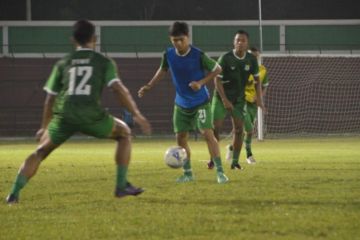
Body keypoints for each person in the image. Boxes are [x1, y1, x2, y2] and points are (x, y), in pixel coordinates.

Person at [6, 20, 151, 204]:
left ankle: (13, 194)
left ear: (73, 40)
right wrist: (136, 114)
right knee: (124, 133)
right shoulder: (103, 62)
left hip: (64, 116)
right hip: (91, 115)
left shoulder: (63, 63)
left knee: (40, 151)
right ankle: (121, 186)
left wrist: (44, 127)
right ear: (94, 39)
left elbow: (50, 98)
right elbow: (118, 89)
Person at [138, 21, 228, 184]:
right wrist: (149, 85)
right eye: (175, 40)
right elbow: (163, 69)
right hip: (181, 104)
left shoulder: (198, 54)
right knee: (180, 138)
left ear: (188, 37)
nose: (178, 43)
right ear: (171, 40)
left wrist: (201, 83)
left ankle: (220, 172)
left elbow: (218, 69)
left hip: (201, 102)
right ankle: (188, 174)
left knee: (207, 134)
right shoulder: (168, 54)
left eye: (181, 39)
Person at [207, 30, 265, 170]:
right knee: (215, 129)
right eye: (237, 40)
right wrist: (225, 100)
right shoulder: (225, 58)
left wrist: (259, 99)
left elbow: (257, 81)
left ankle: (235, 162)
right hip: (220, 98)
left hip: (239, 100)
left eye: (243, 40)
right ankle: (213, 160)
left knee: (239, 130)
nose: (240, 42)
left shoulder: (251, 60)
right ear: (234, 42)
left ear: (247, 43)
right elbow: (217, 80)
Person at [242, 47, 269, 164]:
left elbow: (264, 86)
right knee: (249, 129)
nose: (254, 58)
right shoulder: (241, 68)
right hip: (241, 102)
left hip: (253, 104)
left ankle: (232, 148)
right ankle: (249, 154)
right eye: (251, 55)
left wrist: (259, 98)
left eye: (256, 56)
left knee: (244, 131)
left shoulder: (262, 70)